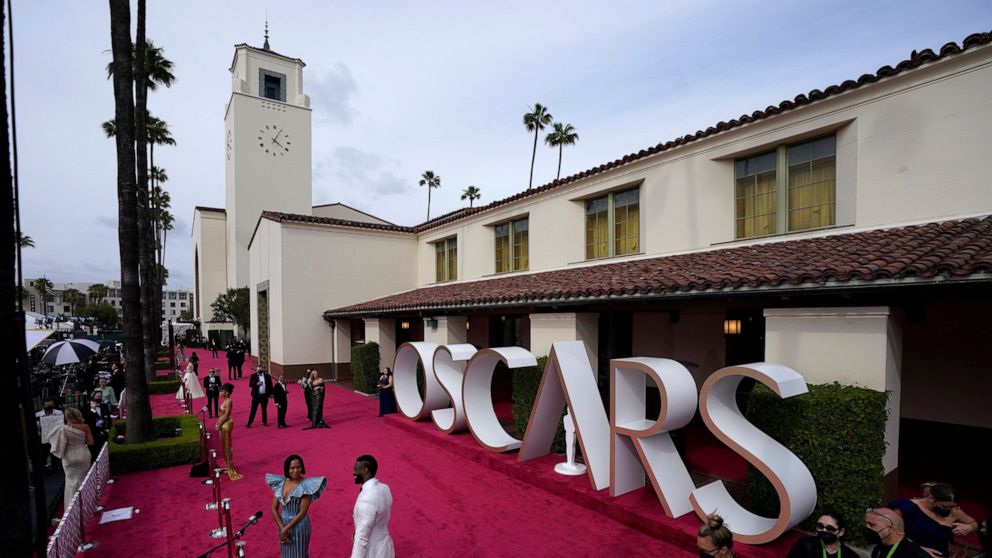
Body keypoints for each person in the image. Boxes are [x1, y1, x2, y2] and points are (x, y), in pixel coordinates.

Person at [890, 482, 979, 557]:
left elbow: (974, 523)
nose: (949, 510)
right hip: (909, 552)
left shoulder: (953, 510)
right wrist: (918, 549)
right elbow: (893, 533)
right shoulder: (906, 507)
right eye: (945, 506)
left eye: (952, 507)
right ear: (931, 498)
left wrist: (970, 527)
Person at [267, 454, 326, 557]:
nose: (296, 470)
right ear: (287, 469)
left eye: (298, 467)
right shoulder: (281, 483)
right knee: (286, 554)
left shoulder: (306, 486)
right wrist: (282, 528)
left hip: (299, 526)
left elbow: (302, 513)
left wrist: (285, 530)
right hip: (283, 524)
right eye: (292, 468)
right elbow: (274, 509)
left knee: (299, 554)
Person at [48, 407, 94, 512]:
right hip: (83, 455)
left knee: (70, 482)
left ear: (66, 417)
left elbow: (53, 441)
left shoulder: (61, 428)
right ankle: (87, 507)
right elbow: (91, 442)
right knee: (84, 480)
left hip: (69, 457)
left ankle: (71, 510)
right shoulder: (85, 427)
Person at [351, 454, 394, 558]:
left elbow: (362, 538)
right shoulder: (385, 488)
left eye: (356, 469)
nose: (353, 473)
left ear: (366, 470)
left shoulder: (367, 499)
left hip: (372, 552)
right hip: (385, 547)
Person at [864, 507, 930, 558]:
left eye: (871, 525)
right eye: (866, 523)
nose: (867, 527)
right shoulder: (878, 549)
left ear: (890, 529)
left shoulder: (915, 555)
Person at [786, 511, 856, 558]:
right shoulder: (804, 544)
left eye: (829, 528)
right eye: (820, 526)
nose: (824, 530)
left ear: (841, 532)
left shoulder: (850, 555)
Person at [215, 383, 243, 480]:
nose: (220, 393)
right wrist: (218, 422)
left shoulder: (229, 401)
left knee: (227, 446)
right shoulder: (224, 401)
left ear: (226, 393)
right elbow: (221, 415)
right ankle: (227, 465)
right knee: (223, 446)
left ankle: (231, 468)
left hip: (226, 425)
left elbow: (226, 415)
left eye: (221, 391)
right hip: (223, 424)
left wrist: (219, 424)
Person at [82, 391, 111, 461]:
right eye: (98, 396)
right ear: (93, 397)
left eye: (101, 396)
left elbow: (108, 418)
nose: (100, 398)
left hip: (103, 431)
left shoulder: (104, 406)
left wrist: (107, 428)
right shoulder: (85, 407)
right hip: (92, 432)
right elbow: (86, 420)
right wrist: (92, 410)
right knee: (94, 452)